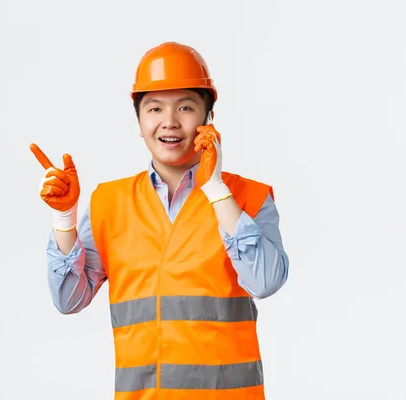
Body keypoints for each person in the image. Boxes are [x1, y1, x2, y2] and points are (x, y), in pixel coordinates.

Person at [30, 41, 289, 399]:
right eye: (154, 108)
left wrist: (215, 189)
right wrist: (64, 219)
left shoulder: (249, 197)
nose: (169, 122)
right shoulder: (108, 202)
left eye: (185, 106)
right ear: (139, 121)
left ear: (207, 118)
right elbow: (69, 300)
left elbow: (265, 282)